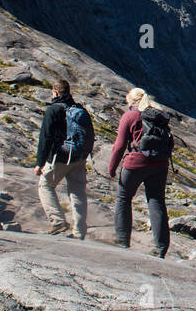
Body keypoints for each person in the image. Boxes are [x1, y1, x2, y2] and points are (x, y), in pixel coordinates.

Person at [108, 87, 173, 258]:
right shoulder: (158, 116)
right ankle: (161, 248)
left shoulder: (130, 116)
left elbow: (119, 145)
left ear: (132, 101)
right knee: (156, 202)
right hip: (160, 164)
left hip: (135, 164)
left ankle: (122, 240)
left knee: (123, 198)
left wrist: (112, 168)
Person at [35, 78, 94, 239]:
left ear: (55, 92)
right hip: (79, 158)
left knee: (45, 186)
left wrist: (40, 163)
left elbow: (45, 138)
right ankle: (79, 231)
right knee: (77, 192)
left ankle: (58, 221)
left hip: (59, 157)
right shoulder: (79, 109)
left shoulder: (53, 110)